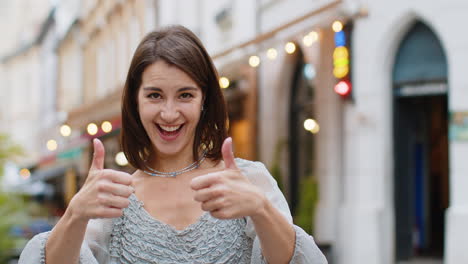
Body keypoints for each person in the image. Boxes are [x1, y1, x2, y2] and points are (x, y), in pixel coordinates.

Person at [18, 25, 327, 264]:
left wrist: (260, 209)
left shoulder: (248, 180)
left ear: (204, 100)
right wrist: (75, 214)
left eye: (185, 95)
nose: (168, 113)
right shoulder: (113, 196)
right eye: (154, 95)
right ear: (135, 102)